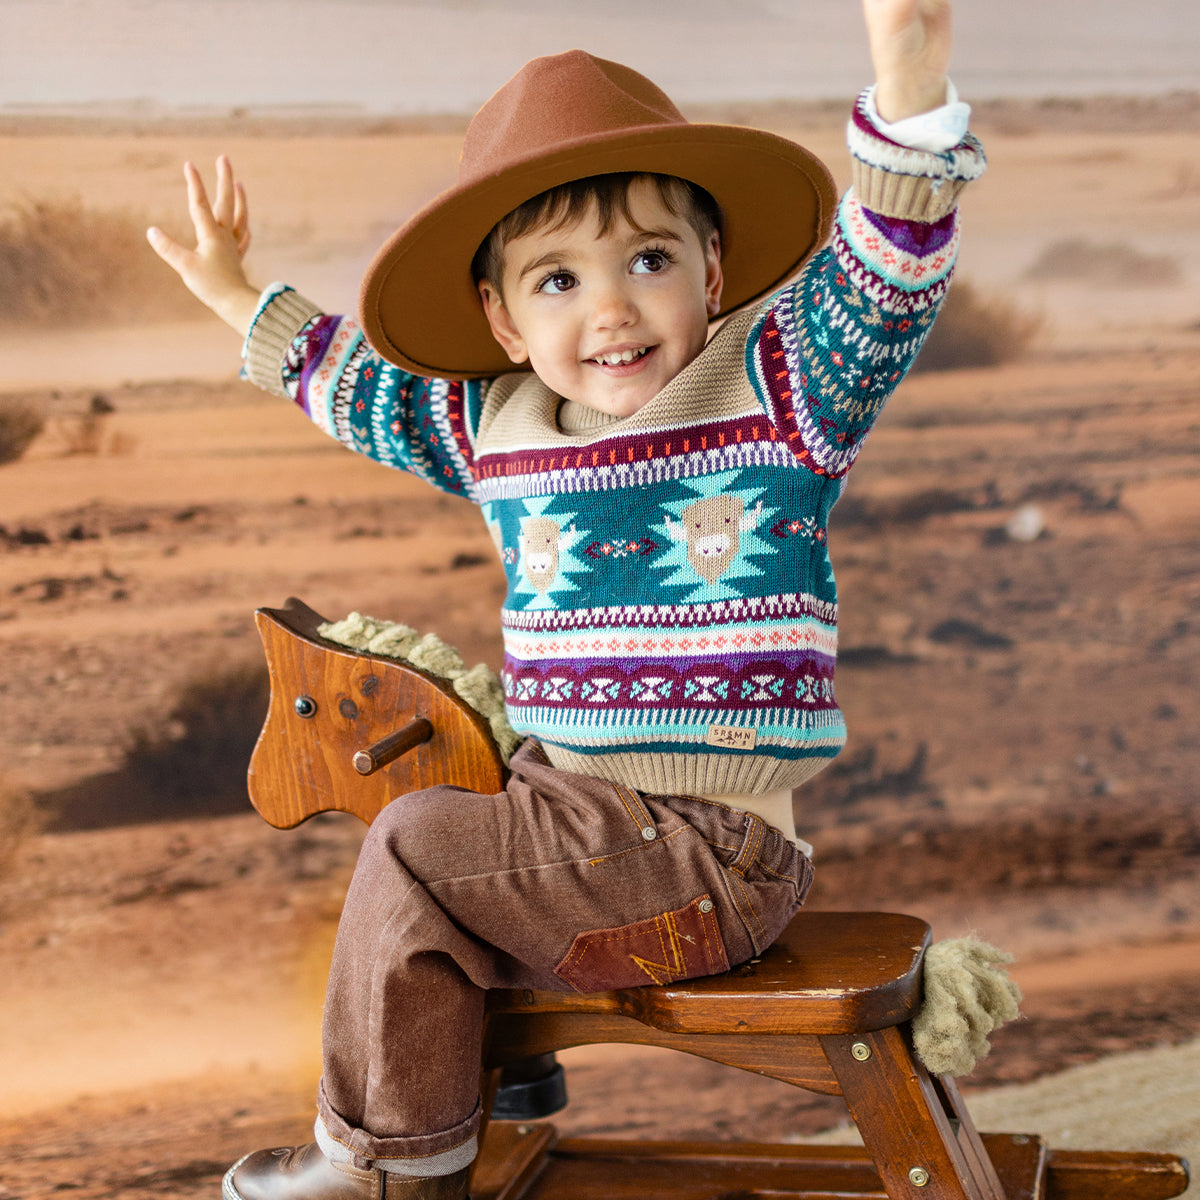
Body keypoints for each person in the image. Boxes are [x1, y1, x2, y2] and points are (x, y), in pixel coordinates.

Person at [149, 3, 984, 1198]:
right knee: (452, 787)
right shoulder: (500, 425)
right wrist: (239, 294)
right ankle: (499, 1073)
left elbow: (884, 280)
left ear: (713, 272)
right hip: (579, 818)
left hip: (708, 851)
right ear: (501, 319)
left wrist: (908, 84)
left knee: (414, 842)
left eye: (650, 260)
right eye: (557, 278)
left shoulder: (779, 389)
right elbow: (359, 388)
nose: (610, 308)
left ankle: (387, 1163)